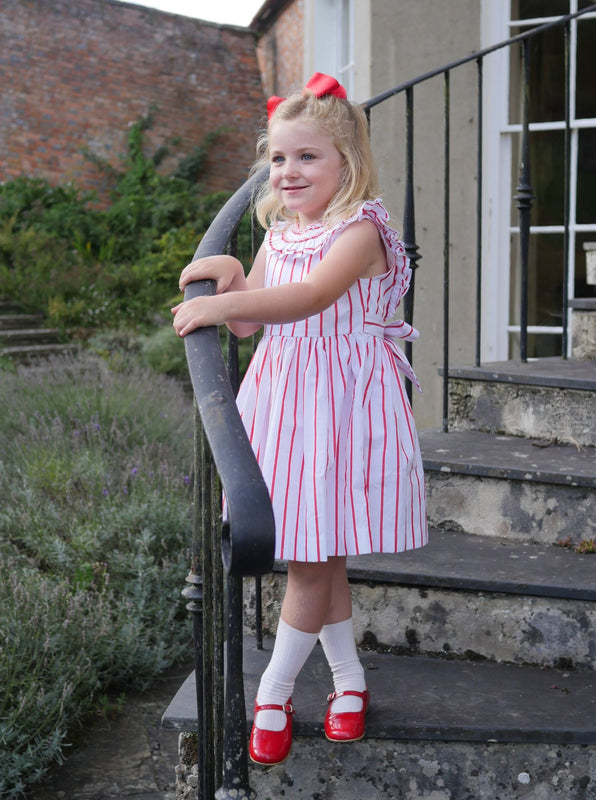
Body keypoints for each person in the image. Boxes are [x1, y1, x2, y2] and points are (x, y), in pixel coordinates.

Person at [172, 72, 428, 766]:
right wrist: (229, 280)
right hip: (286, 407)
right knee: (319, 554)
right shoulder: (282, 234)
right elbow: (257, 317)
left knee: (308, 562)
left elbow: (312, 298)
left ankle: (274, 696)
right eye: (278, 159)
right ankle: (349, 684)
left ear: (348, 161)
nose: (288, 172)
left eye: (307, 156)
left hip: (339, 408)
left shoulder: (362, 230)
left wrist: (216, 309)